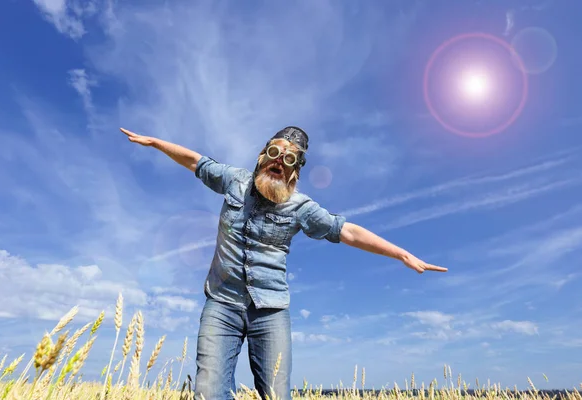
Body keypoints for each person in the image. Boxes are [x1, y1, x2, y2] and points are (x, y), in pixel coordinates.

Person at [120, 126, 448, 400]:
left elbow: (346, 231)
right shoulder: (235, 180)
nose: (280, 161)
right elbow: (195, 161)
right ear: (263, 157)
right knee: (208, 391)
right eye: (275, 153)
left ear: (295, 170)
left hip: (271, 311)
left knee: (276, 395)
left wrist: (401, 253)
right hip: (221, 305)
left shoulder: (301, 206)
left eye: (289, 159)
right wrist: (156, 143)